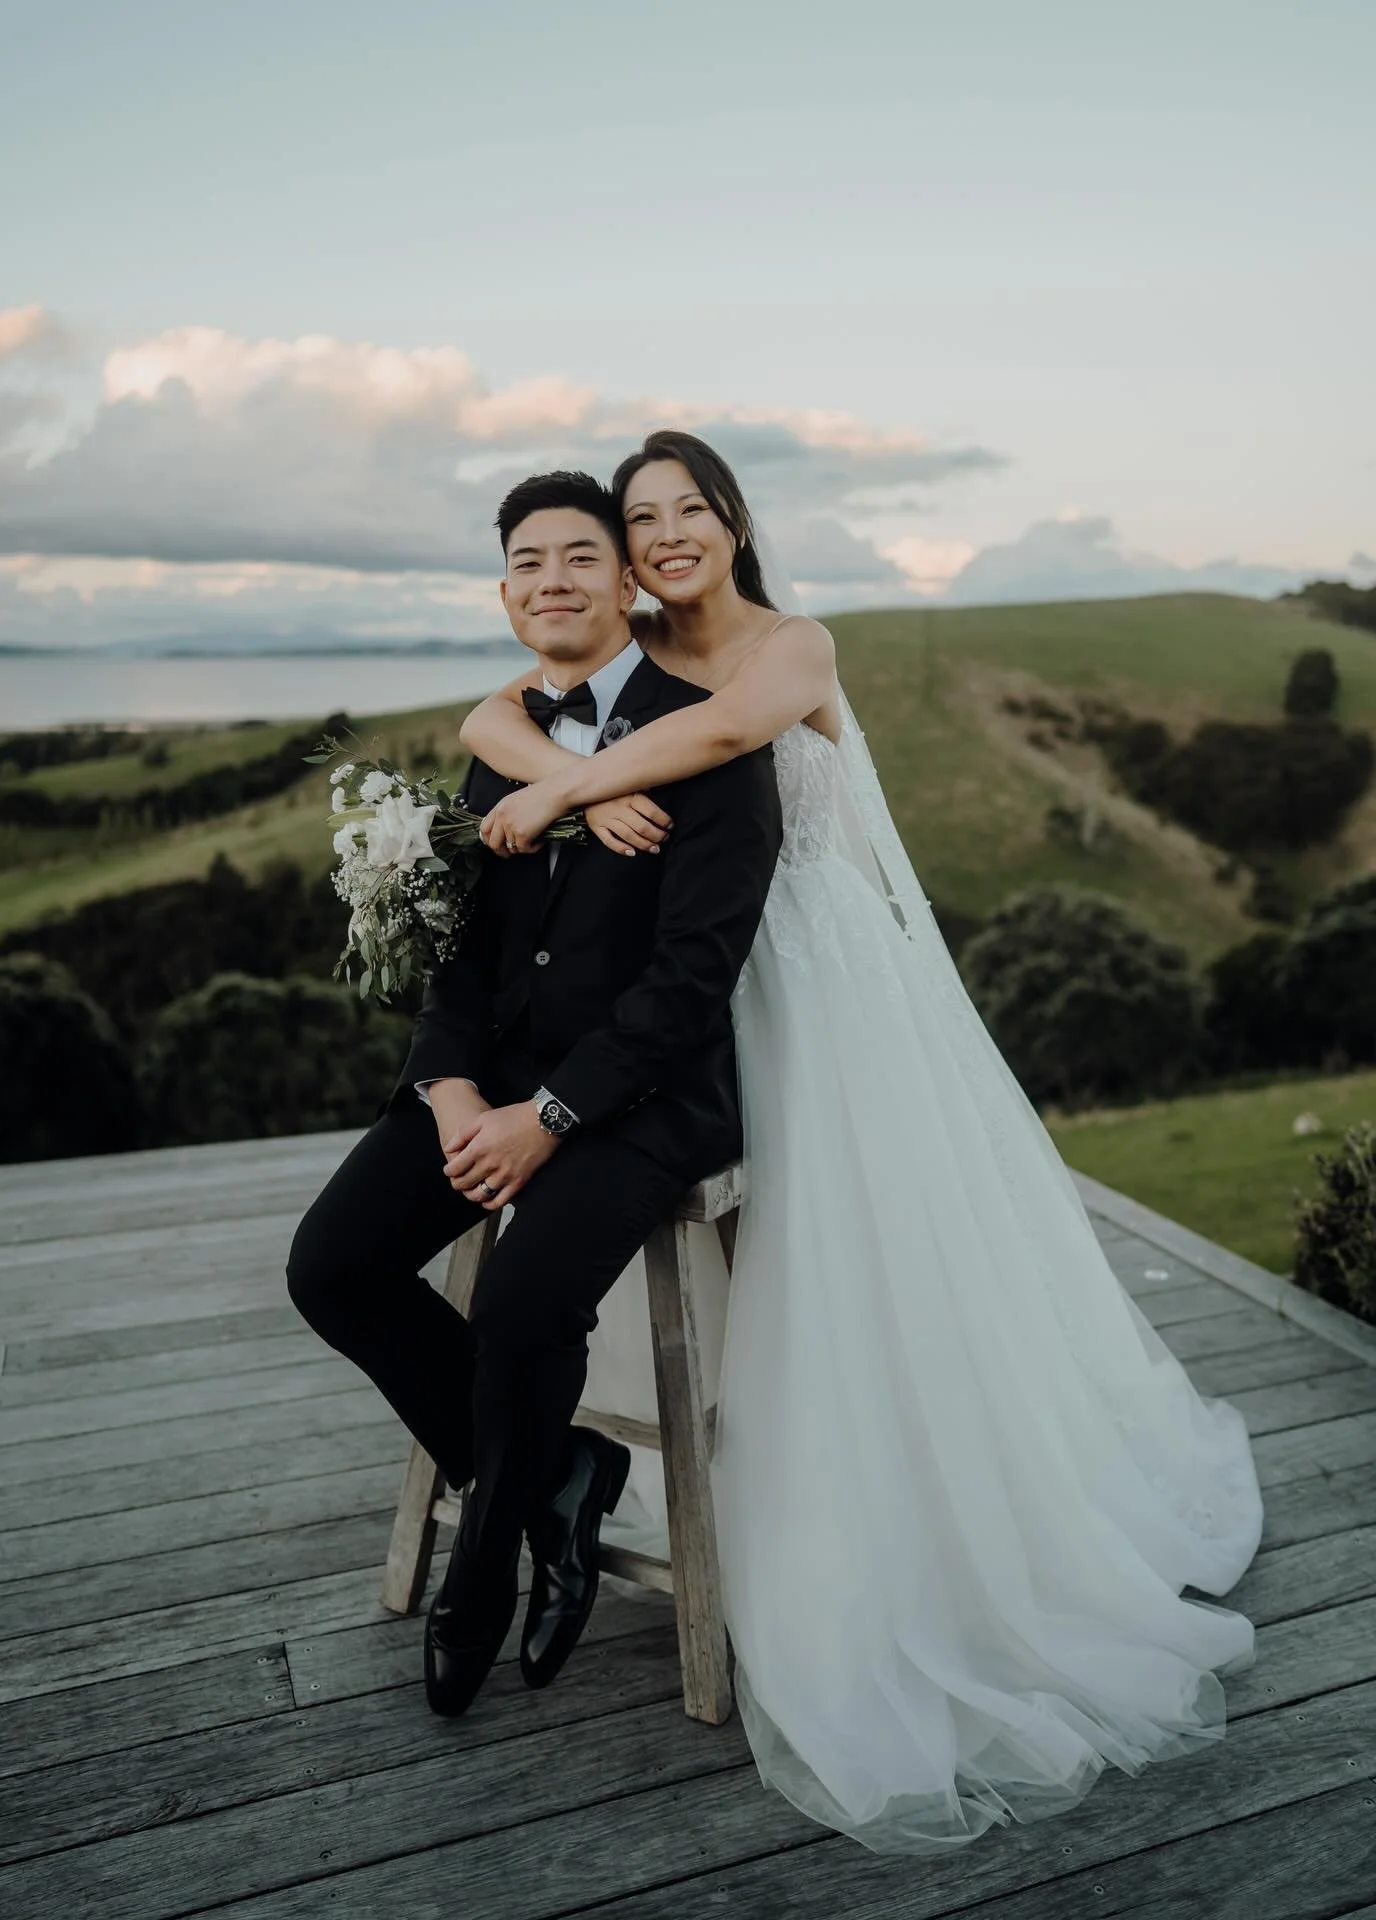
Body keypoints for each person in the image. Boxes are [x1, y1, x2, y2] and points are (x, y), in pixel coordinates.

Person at [457, 429, 1265, 1853]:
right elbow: (488, 718)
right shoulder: (625, 642)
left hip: (821, 991)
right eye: (638, 521)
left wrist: (573, 789)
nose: (661, 540)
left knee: (863, 1257)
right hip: (695, 999)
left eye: (685, 510)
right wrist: (546, 764)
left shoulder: (792, 647)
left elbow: (711, 739)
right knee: (734, 1253)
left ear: (731, 518)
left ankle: (912, 1523)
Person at [287, 469, 782, 1719]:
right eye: (526, 563)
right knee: (331, 1266)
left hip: (645, 1096)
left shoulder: (713, 736)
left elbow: (689, 986)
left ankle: (481, 1579)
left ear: (628, 580)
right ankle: (555, 1473)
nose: (550, 581)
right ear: (505, 593)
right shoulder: (503, 737)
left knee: (520, 1302)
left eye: (578, 557)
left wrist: (551, 1117)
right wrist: (453, 1092)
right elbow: (458, 951)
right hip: (486, 1081)